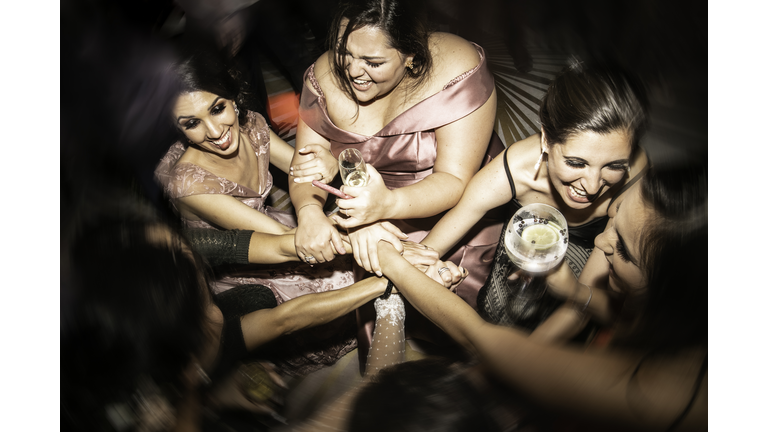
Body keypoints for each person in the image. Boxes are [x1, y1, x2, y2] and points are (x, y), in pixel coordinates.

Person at [376, 161, 708, 431]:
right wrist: (577, 291)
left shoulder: (658, 391)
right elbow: (621, 318)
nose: (602, 243)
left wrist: (391, 261)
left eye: (624, 250)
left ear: (673, 295)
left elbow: (477, 336)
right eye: (613, 219)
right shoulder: (668, 321)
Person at [288, 0, 506, 365]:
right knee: (381, 311)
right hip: (363, 206)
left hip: (448, 203)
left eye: (373, 63)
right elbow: (306, 161)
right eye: (345, 52)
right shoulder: (323, 77)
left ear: (411, 56)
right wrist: (309, 210)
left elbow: (453, 179)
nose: (353, 71)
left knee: (454, 321)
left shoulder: (457, 70)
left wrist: (386, 205)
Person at [421, 59, 650, 336]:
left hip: (584, 281)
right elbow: (431, 247)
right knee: (500, 313)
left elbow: (591, 308)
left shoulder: (635, 177)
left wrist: (519, 365)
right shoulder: (513, 168)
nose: (591, 187)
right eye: (576, 162)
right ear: (546, 140)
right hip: (519, 262)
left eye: (613, 166)